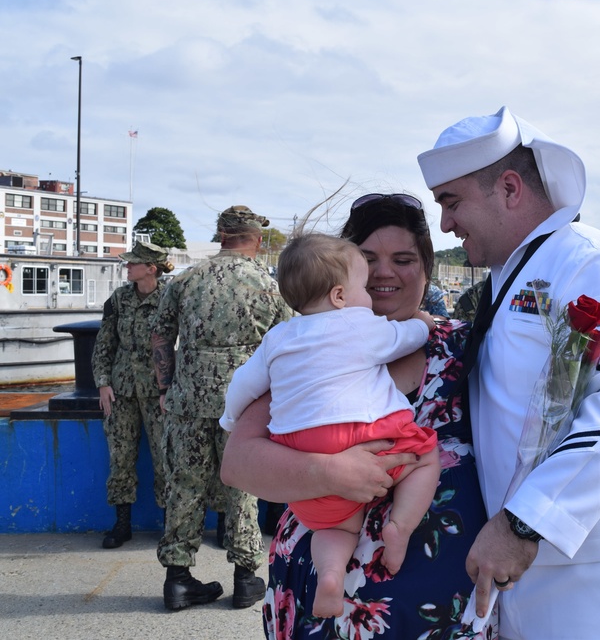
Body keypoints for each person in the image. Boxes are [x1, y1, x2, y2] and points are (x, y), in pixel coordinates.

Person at [417, 106, 600, 639]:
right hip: (528, 562)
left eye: (451, 202)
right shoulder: (511, 274)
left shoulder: (590, 264)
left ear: (510, 188)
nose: (444, 223)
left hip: (597, 573)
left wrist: (524, 522)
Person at [220, 193, 495, 639]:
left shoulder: (467, 347)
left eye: (404, 259)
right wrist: (328, 472)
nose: (385, 272)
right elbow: (236, 464)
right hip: (322, 605)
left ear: (426, 268)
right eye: (368, 258)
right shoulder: (302, 352)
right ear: (341, 279)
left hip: (440, 609)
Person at [219, 233, 441, 618]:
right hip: (368, 432)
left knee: (335, 529)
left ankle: (330, 576)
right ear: (340, 296)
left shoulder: (279, 338)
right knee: (424, 457)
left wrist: (228, 418)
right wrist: (423, 323)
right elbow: (404, 336)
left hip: (303, 442)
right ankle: (400, 528)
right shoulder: (363, 325)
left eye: (403, 259)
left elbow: (243, 383)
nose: (376, 279)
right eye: (366, 270)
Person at [151, 205, 293, 611]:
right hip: (244, 401)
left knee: (185, 486)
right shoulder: (267, 284)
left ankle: (178, 580)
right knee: (242, 488)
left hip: (187, 399)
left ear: (221, 236)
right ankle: (246, 578)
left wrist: (166, 387)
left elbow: (160, 335)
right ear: (257, 239)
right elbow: (289, 338)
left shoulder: (185, 278)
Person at [91, 240, 174, 549]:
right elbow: (104, 344)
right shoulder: (119, 298)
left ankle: (170, 524)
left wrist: (172, 388)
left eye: (132, 263)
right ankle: (122, 523)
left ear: (150, 268)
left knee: (166, 457)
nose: (126, 266)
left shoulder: (171, 297)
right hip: (122, 389)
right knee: (121, 457)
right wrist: (102, 382)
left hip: (160, 393)